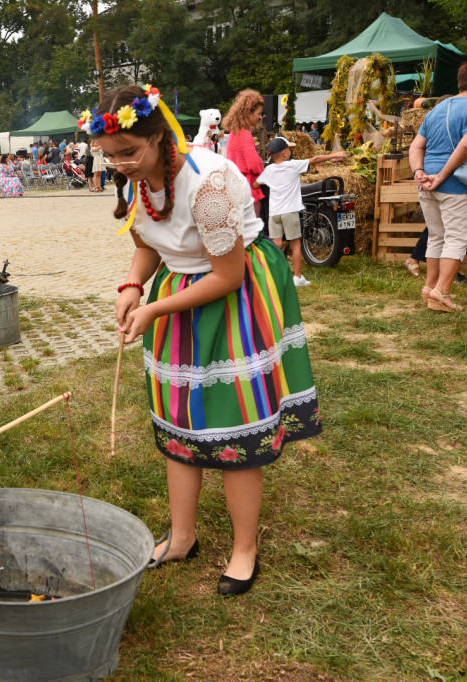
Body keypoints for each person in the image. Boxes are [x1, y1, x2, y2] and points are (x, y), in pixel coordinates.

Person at [90, 84, 321, 596]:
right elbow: (149, 244)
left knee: (232, 419)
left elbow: (228, 275)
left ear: (160, 136)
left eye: (129, 152)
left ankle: (244, 548)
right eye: (110, 157)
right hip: (179, 294)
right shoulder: (136, 181)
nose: (120, 165)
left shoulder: (209, 184)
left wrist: (152, 307)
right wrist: (133, 285)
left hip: (231, 296)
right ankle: (183, 536)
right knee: (180, 415)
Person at [410, 60, 467, 312]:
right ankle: (441, 293)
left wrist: (419, 172)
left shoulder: (438, 107)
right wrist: (443, 175)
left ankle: (430, 286)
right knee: (457, 238)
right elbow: (466, 146)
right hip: (457, 183)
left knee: (437, 236)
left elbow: (416, 146)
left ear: (460, 82)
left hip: (427, 182)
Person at [256, 137, 347, 287]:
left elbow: (255, 183)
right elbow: (316, 159)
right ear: (285, 152)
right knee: (295, 244)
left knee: (277, 243)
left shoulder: (269, 170)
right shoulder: (294, 166)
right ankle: (297, 277)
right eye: (289, 149)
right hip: (289, 212)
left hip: (274, 213)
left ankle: (273, 275)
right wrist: (335, 156)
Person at [223, 89, 266, 217]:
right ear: (248, 113)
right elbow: (253, 162)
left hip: (237, 185)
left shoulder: (234, 132)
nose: (260, 117)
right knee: (252, 230)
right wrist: (265, 173)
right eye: (258, 113)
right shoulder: (244, 133)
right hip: (248, 187)